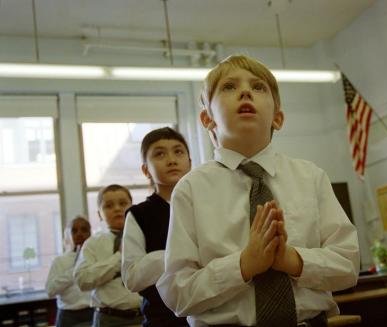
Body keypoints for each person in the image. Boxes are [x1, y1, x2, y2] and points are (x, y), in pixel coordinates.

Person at [156, 55, 360, 327]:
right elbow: (177, 293)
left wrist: (293, 260)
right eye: (229, 87)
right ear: (208, 119)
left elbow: (347, 266)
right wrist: (243, 265)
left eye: (258, 87)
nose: (245, 92)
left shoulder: (311, 177)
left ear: (277, 117)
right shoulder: (190, 190)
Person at [122, 127, 191, 327]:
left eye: (178, 151)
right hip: (161, 320)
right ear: (145, 170)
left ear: (190, 162)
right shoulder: (139, 214)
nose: (171, 160)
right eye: (159, 154)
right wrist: (178, 254)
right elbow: (132, 276)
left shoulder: (207, 206)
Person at [74, 184, 142, 327]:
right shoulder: (92, 244)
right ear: (99, 214)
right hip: (108, 318)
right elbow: (82, 280)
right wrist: (119, 258)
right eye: (109, 206)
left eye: (123, 203)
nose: (117, 209)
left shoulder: (145, 237)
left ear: (132, 207)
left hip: (143, 316)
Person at [46, 216, 93, 327]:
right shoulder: (59, 261)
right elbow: (50, 291)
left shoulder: (96, 258)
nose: (79, 234)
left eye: (84, 230)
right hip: (68, 316)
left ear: (90, 234)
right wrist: (75, 270)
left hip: (93, 313)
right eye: (74, 230)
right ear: (68, 235)